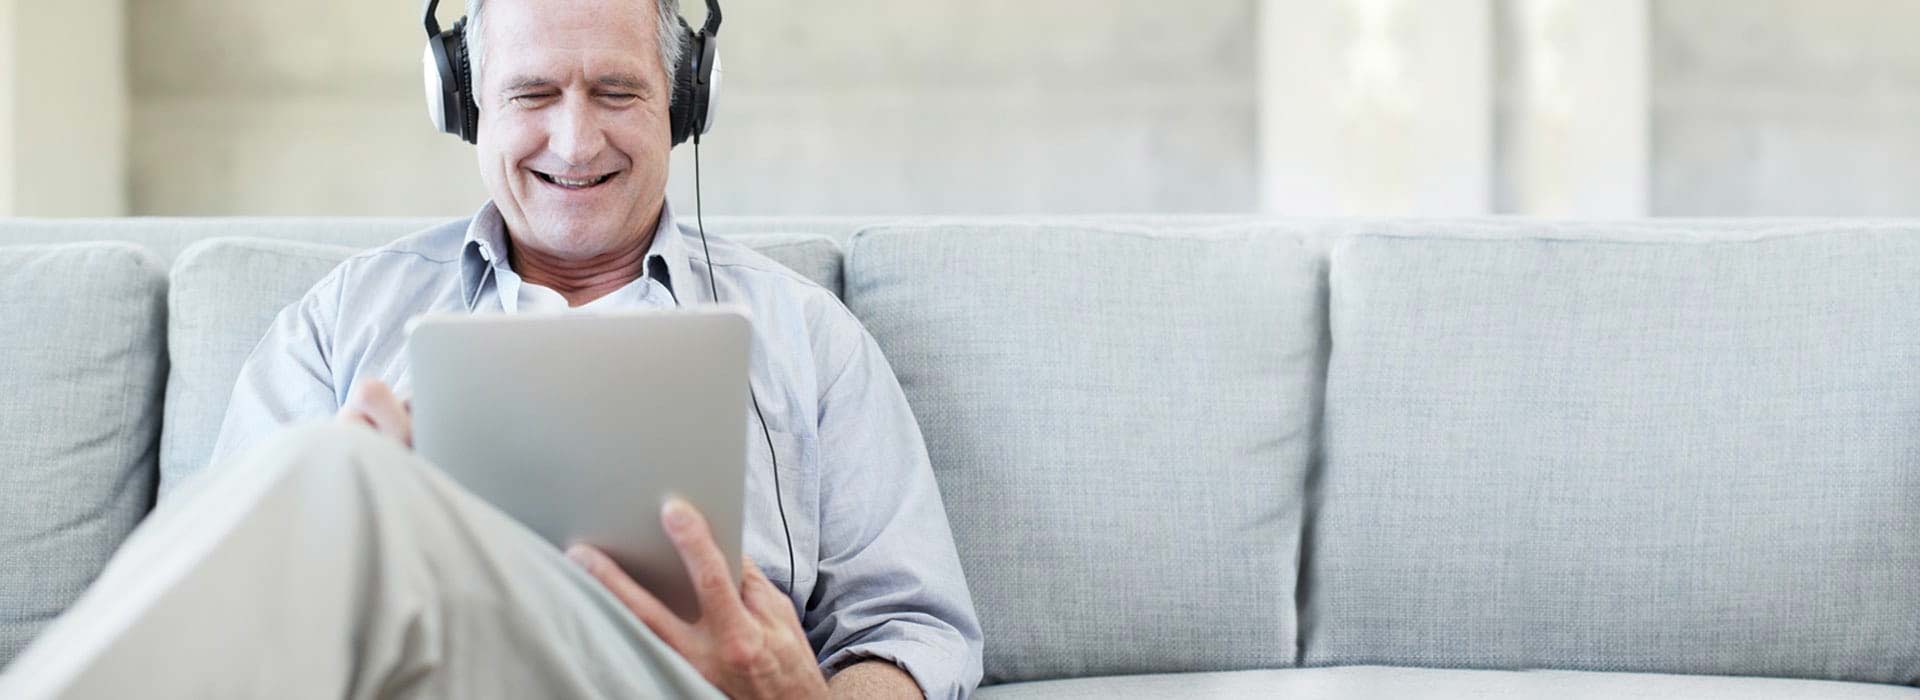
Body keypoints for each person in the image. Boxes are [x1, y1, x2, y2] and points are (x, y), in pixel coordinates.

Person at [0, 0, 982, 697]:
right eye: (532, 93)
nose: (573, 137)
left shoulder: (806, 335)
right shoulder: (342, 318)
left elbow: (915, 629)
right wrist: (358, 497)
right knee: (327, 467)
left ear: (684, 104)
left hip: (667, 683)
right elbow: (217, 577)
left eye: (614, 90)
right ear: (465, 104)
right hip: (417, 673)